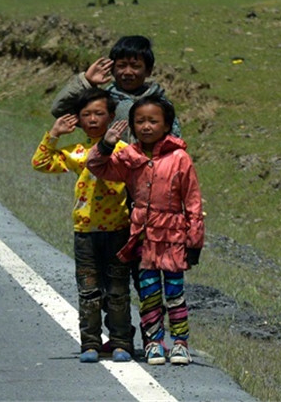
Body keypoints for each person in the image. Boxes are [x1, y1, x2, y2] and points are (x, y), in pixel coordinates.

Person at [86, 94, 204, 366]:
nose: (146, 126)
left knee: (175, 292)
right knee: (149, 292)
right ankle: (153, 342)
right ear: (131, 125)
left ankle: (180, 344)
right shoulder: (129, 156)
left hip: (173, 236)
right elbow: (96, 166)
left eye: (153, 121)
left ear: (167, 125)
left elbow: (193, 202)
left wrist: (194, 241)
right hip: (142, 237)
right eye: (140, 121)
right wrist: (106, 145)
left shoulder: (180, 158)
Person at [31, 88, 134, 363]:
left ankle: (121, 342)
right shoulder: (76, 152)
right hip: (85, 233)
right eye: (86, 114)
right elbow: (40, 163)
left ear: (111, 116)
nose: (92, 119)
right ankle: (90, 343)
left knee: (117, 290)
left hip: (118, 231)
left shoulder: (125, 152)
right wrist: (53, 134)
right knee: (88, 290)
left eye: (99, 113)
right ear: (77, 119)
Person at [50, 35, 181, 142]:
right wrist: (86, 82)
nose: (128, 72)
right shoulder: (103, 103)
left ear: (148, 71)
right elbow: (61, 109)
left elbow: (174, 141)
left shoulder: (161, 105)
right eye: (121, 65)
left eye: (135, 66)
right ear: (112, 69)